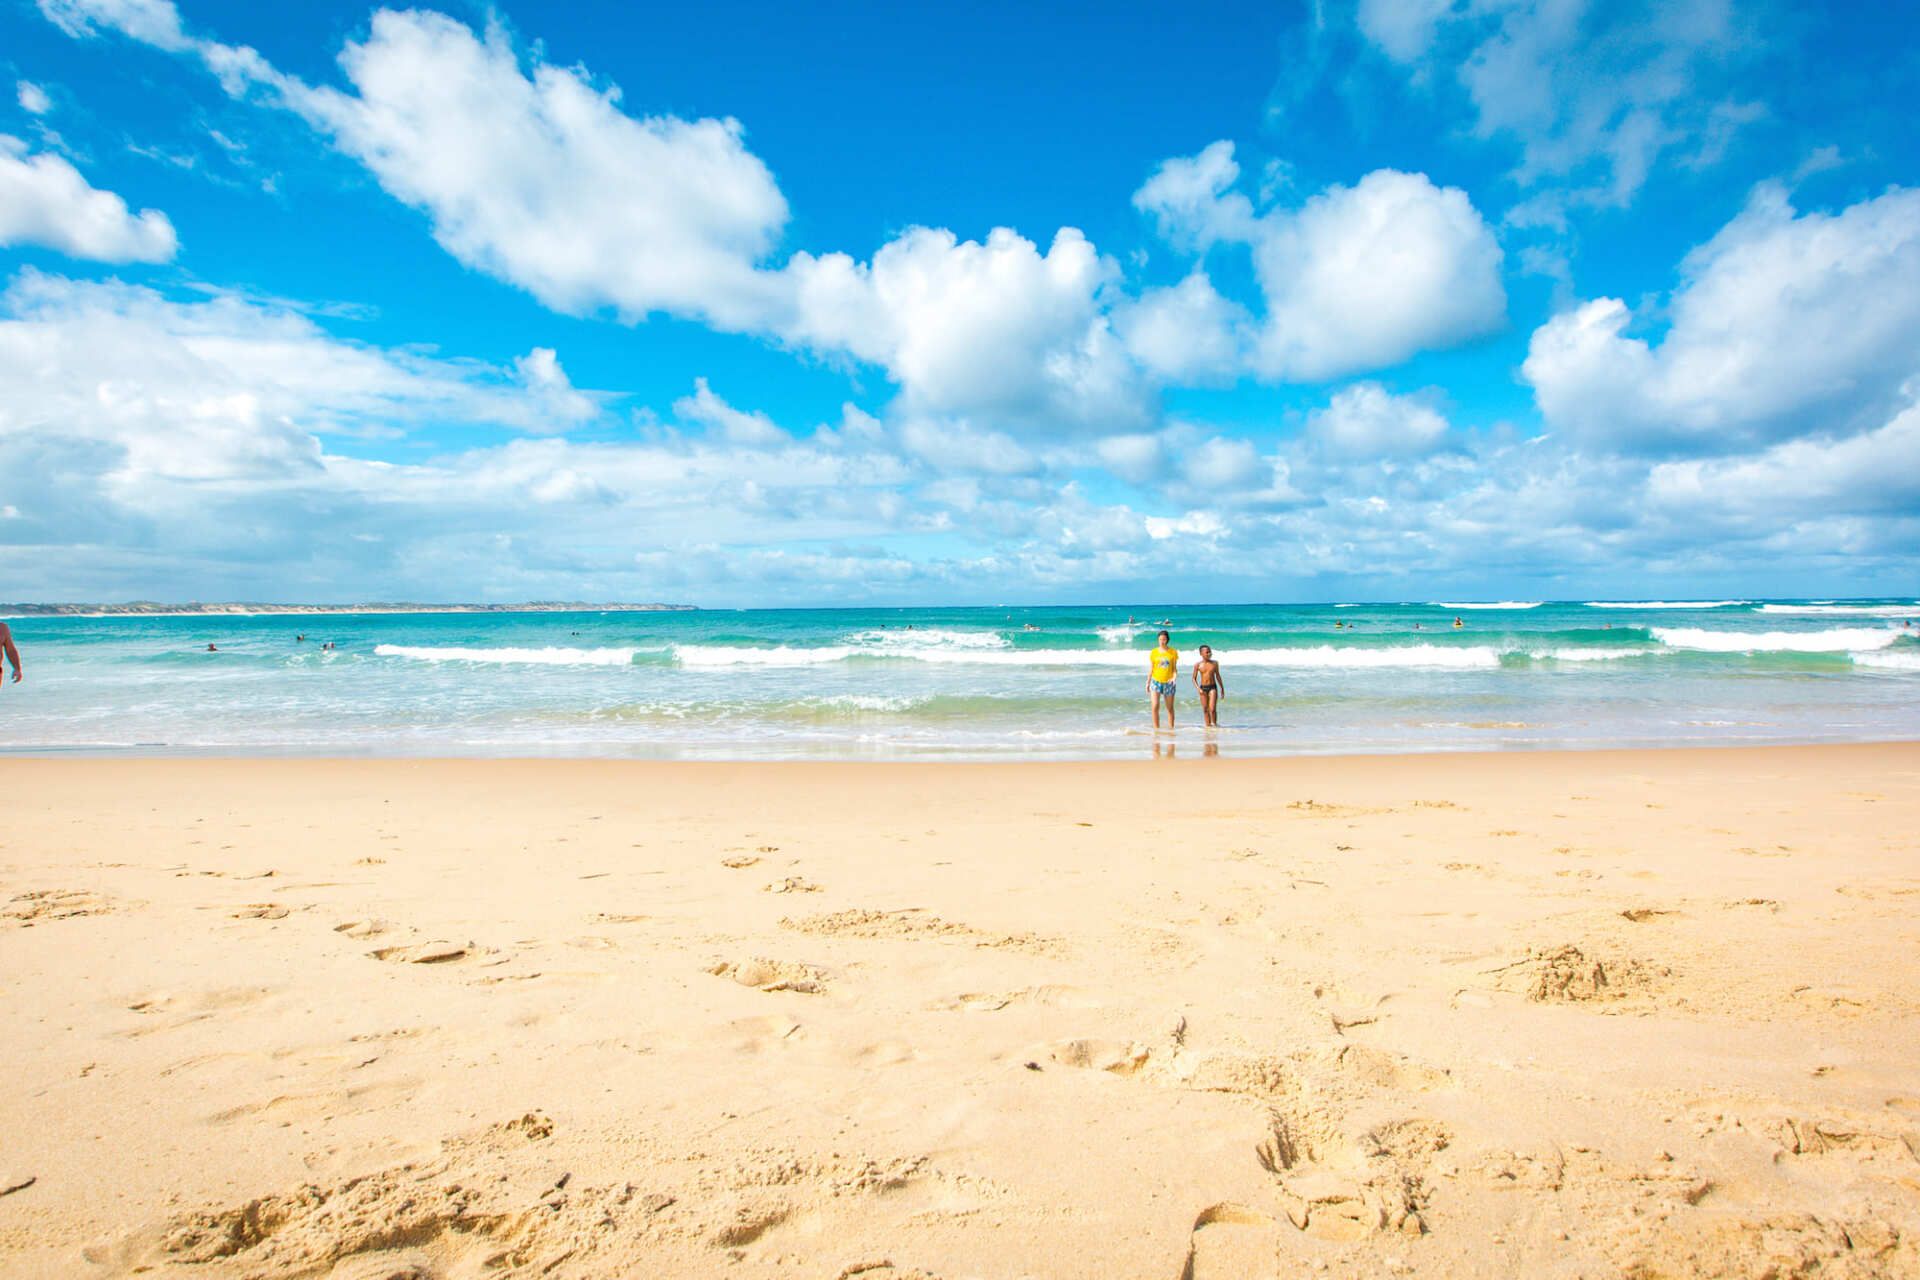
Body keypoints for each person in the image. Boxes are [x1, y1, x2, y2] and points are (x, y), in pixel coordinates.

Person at [1147, 630, 1179, 731]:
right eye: (1160, 639)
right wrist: (1147, 682)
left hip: (1169, 683)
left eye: (1164, 639)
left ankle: (1171, 729)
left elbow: (1174, 669)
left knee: (1169, 708)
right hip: (1155, 681)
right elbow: (1151, 668)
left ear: (1167, 640)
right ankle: (1156, 729)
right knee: (1155, 706)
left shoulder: (1173, 652)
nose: (1162, 641)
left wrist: (1174, 677)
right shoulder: (1154, 652)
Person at [1192, 644, 1224, 727]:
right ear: (1201, 654)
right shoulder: (1198, 665)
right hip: (1203, 688)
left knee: (1212, 709)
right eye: (1207, 652)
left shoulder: (1215, 663)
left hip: (1213, 687)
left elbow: (1218, 676)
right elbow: (1193, 679)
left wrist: (1222, 688)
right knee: (1205, 709)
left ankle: (1215, 724)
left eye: (1210, 652)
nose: (1209, 654)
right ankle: (1208, 727)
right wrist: (1198, 689)